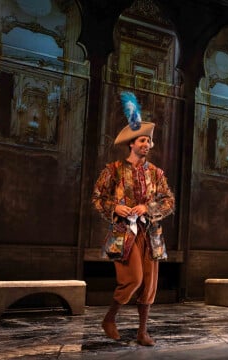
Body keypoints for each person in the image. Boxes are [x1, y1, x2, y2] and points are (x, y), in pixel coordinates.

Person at [92, 91, 175, 346]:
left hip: (150, 233)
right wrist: (115, 208)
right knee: (133, 279)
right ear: (131, 143)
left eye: (148, 142)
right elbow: (97, 197)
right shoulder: (113, 170)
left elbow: (169, 201)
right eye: (141, 141)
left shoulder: (157, 173)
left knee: (149, 283)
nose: (146, 145)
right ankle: (110, 318)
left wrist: (147, 208)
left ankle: (142, 331)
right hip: (124, 233)